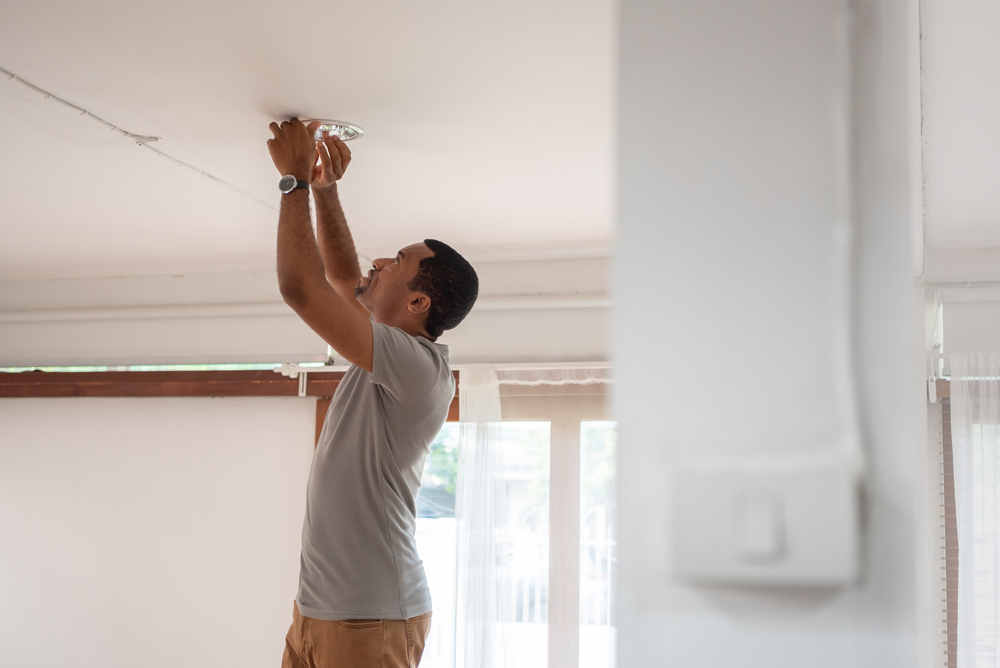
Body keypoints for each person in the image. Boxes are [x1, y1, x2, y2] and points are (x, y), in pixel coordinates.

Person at [266, 118, 478, 668]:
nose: (379, 263)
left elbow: (302, 288)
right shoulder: (385, 350)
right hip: (318, 611)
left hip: (371, 617)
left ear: (417, 305)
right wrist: (324, 190)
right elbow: (341, 278)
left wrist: (290, 180)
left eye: (398, 262)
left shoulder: (417, 368)